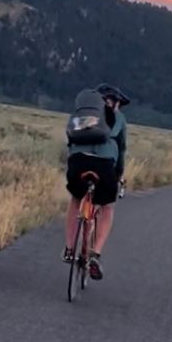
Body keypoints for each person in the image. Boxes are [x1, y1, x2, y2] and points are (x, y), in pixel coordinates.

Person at [63, 83, 129, 280]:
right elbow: (122, 149)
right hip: (104, 166)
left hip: (77, 162)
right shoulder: (119, 117)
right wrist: (118, 175)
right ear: (116, 103)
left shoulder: (80, 114)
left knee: (76, 200)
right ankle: (95, 255)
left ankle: (68, 248)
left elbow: (70, 140)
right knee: (107, 207)